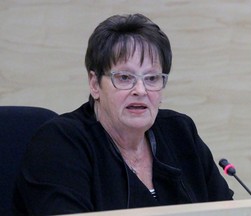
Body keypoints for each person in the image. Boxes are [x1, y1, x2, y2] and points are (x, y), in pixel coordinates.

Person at [13, 13, 233, 215]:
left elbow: (228, 211)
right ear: (94, 84)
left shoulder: (180, 132)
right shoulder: (59, 143)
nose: (141, 90)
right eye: (125, 78)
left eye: (152, 78)